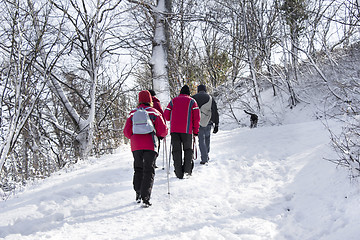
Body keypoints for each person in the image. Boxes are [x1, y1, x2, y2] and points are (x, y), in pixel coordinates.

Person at [123, 90, 168, 207]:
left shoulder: (132, 113)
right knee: (149, 170)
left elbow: (126, 132)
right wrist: (161, 136)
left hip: (136, 146)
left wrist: (134, 137)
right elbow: (163, 131)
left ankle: (138, 192)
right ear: (150, 100)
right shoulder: (155, 112)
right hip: (150, 145)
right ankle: (145, 197)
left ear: (139, 100)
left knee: (138, 168)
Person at [164, 85, 200, 179]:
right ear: (189, 93)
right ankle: (187, 170)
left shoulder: (173, 101)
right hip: (187, 130)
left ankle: (178, 173)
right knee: (188, 150)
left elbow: (166, 116)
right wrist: (196, 131)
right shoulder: (192, 102)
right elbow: (196, 119)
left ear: (180, 92)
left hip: (174, 131)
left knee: (176, 151)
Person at [192, 84, 219, 165]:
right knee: (207, 138)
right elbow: (215, 111)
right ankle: (206, 154)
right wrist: (216, 124)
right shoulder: (210, 98)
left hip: (198, 122)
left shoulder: (193, 98)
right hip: (208, 121)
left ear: (198, 90)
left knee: (201, 139)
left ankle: (204, 158)